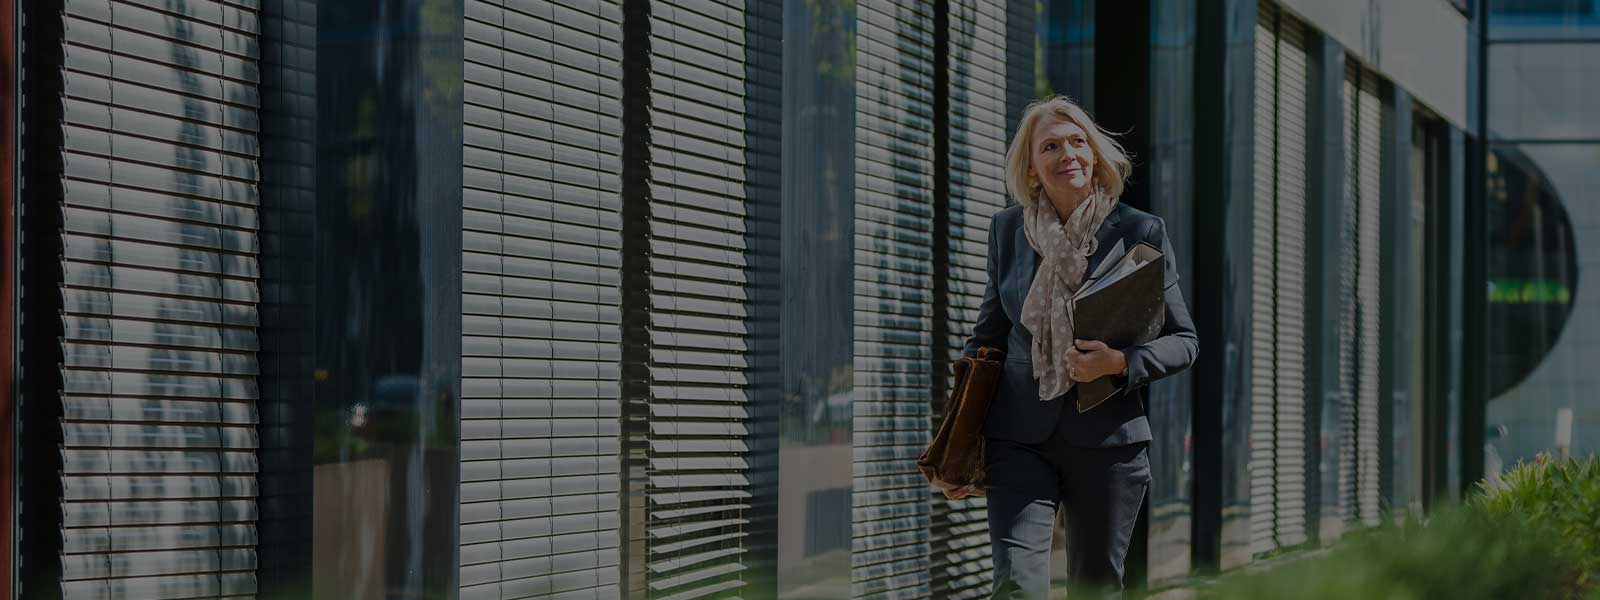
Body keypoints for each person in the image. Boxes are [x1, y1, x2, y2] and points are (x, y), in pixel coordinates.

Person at [951, 95, 1199, 598]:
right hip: (1018, 438)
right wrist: (958, 437)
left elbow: (1185, 342)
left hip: (1109, 444)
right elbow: (987, 339)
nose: (1069, 153)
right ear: (1032, 167)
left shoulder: (1138, 231)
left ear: (1094, 154)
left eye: (1078, 141)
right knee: (1015, 586)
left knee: (1095, 589)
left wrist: (1121, 362)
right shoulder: (1007, 231)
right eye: (1051, 145)